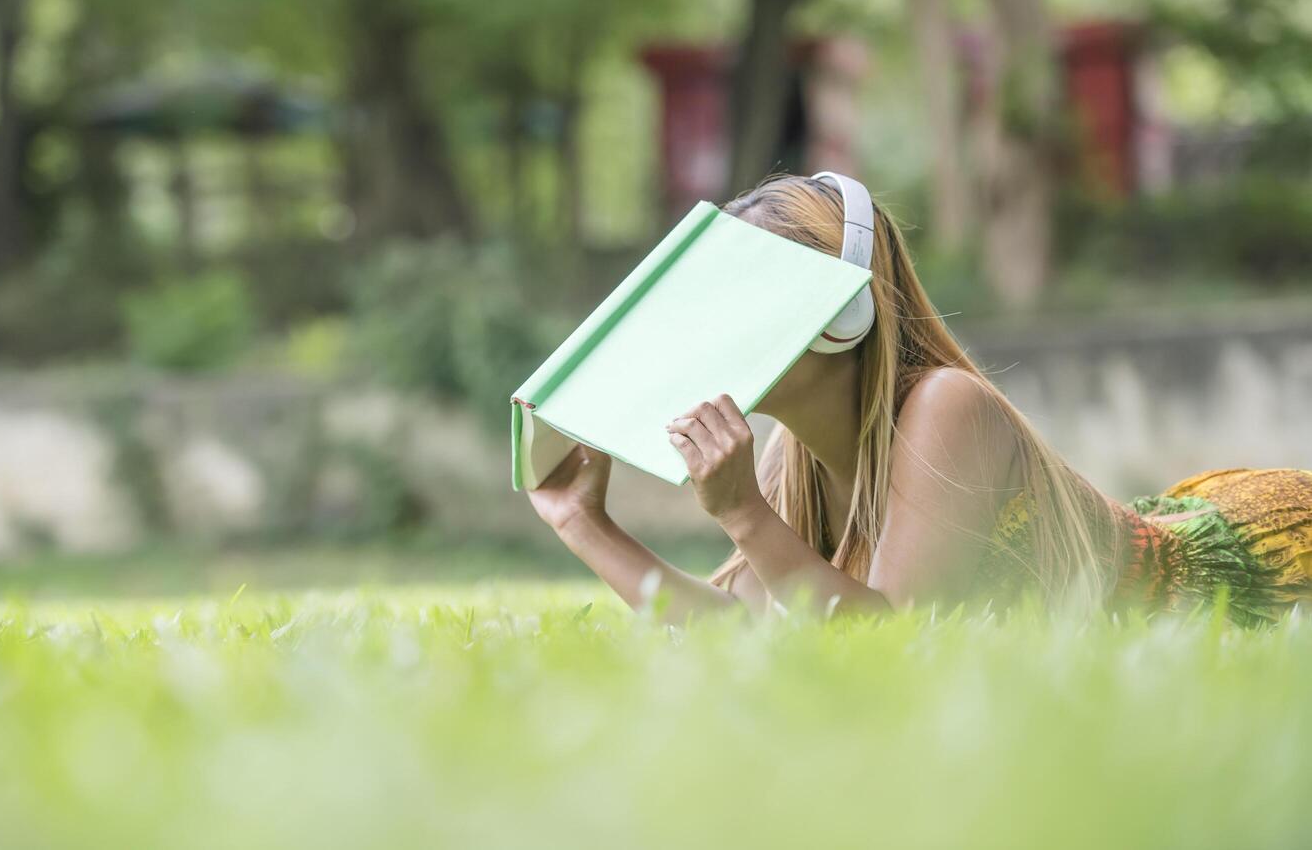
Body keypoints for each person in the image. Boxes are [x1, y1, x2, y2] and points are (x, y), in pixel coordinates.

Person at [525, 173, 1312, 627]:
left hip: (1261, 564)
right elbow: (746, 633)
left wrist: (740, 515)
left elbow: (890, 642)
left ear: (843, 316)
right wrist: (583, 523)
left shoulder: (945, 406)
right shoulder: (785, 458)